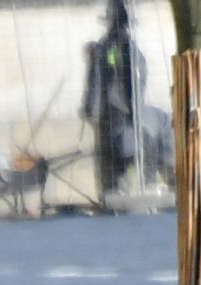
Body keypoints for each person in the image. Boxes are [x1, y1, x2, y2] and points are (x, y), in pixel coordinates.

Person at [81, 0, 147, 199]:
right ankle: (118, 191)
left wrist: (91, 108)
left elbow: (99, 80)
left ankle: (113, 193)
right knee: (122, 155)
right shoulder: (129, 49)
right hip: (124, 112)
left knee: (111, 157)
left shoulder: (108, 48)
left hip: (111, 112)